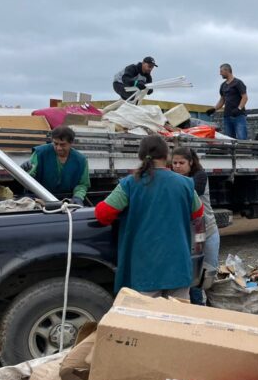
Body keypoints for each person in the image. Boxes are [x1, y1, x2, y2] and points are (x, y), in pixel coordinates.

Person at [95, 135, 204, 298]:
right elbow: (198, 213)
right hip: (178, 266)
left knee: (148, 319)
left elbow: (103, 215)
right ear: (166, 156)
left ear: (140, 155)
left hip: (146, 269)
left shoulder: (129, 183)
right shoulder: (185, 183)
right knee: (180, 317)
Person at [172, 147, 219, 305]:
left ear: (191, 163)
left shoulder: (199, 176)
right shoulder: (173, 179)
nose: (177, 166)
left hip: (208, 229)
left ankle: (215, 306)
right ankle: (198, 307)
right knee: (193, 276)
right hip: (188, 234)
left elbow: (192, 191)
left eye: (181, 163)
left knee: (209, 273)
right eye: (174, 163)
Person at [23, 126, 90, 205]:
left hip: (65, 200)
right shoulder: (40, 153)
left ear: (71, 142)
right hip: (39, 198)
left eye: (62, 145)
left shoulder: (81, 160)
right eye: (55, 143)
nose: (58, 148)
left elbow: (82, 184)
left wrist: (78, 197)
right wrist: (25, 171)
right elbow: (29, 178)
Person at [206, 64, 248, 140]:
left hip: (238, 116)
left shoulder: (238, 83)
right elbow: (222, 99)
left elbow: (245, 97)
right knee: (229, 140)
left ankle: (243, 152)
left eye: (221, 71)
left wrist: (239, 108)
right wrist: (214, 109)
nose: (220, 73)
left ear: (227, 70)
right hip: (227, 116)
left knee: (241, 138)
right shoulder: (223, 85)